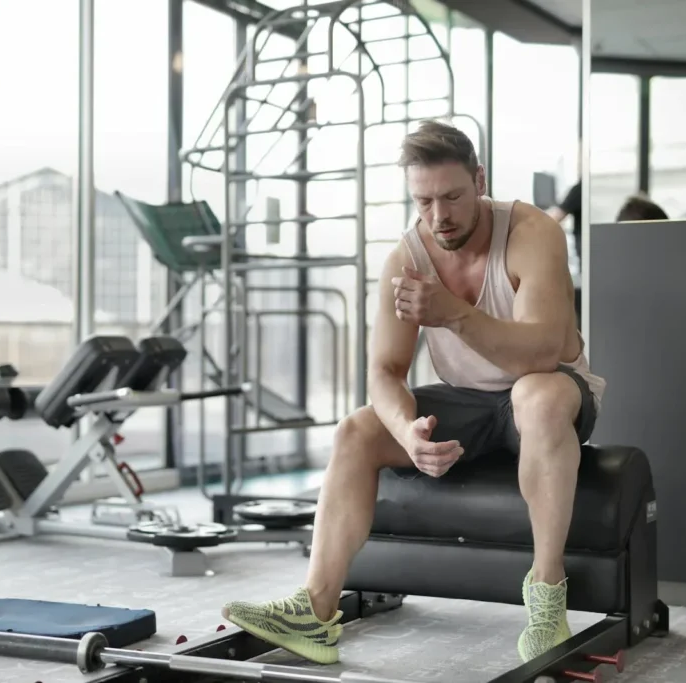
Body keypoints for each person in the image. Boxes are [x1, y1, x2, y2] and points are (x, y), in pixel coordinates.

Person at [220, 119, 605, 667]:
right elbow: (385, 369)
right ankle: (315, 611)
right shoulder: (406, 258)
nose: (438, 215)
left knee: (535, 395)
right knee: (357, 429)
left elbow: (542, 354)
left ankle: (547, 595)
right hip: (468, 401)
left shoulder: (533, 232)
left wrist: (452, 313)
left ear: (479, 180)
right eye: (424, 200)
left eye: (452, 196)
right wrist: (406, 431)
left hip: (553, 393)